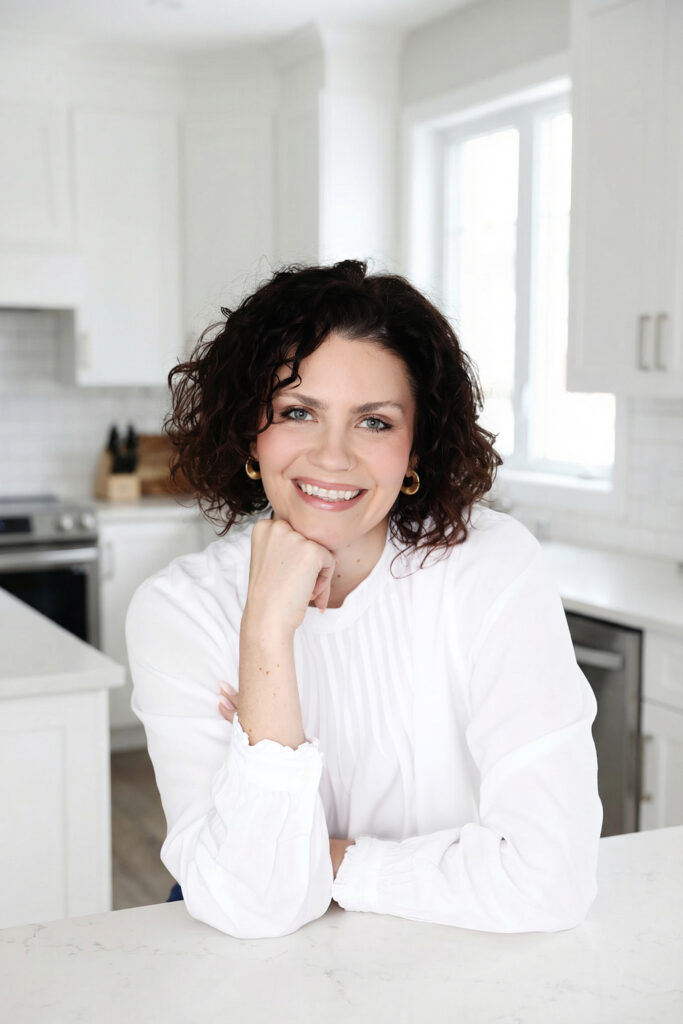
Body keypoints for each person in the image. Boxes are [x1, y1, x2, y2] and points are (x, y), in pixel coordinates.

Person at [125, 259, 603, 940]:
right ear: (249, 434)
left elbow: (549, 880)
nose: (333, 456)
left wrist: (317, 863)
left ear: (415, 450)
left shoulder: (491, 567)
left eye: (374, 422)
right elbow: (251, 908)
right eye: (297, 412)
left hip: (453, 955)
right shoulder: (181, 610)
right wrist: (265, 634)